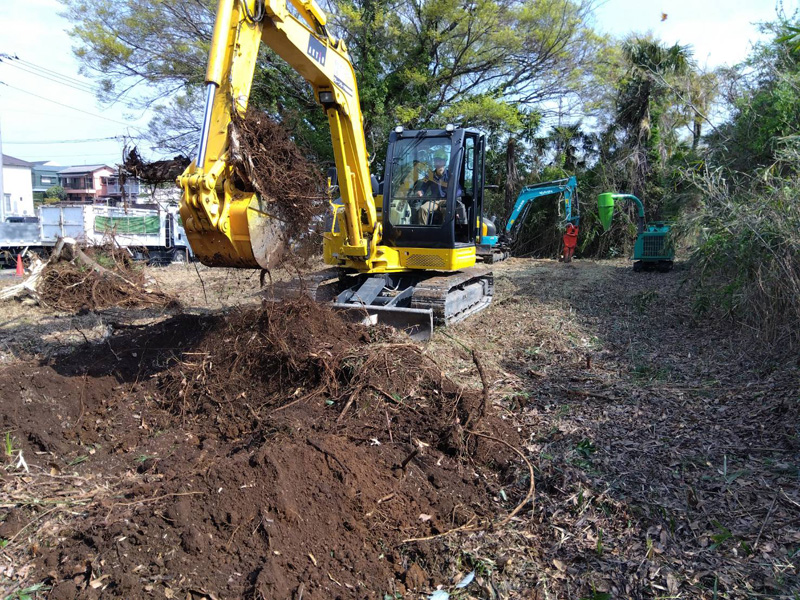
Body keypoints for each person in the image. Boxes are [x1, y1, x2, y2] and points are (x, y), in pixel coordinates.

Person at [416, 154, 450, 224]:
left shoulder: (450, 175)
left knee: (448, 210)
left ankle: (445, 232)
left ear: (444, 162)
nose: (437, 163)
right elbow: (423, 187)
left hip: (446, 200)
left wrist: (453, 197)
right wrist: (421, 192)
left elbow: (458, 190)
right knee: (423, 208)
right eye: (436, 160)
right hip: (434, 201)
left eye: (440, 161)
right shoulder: (429, 175)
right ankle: (422, 231)